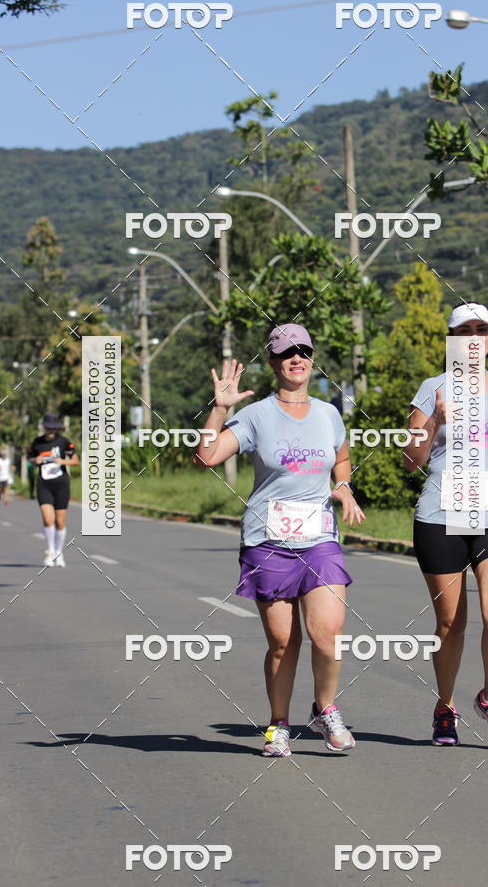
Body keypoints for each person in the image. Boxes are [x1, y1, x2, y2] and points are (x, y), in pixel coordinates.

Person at [195, 324, 366, 757]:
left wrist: (343, 487)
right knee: (284, 643)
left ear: (312, 359)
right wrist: (218, 409)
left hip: (319, 537)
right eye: (287, 352)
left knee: (327, 634)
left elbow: (341, 458)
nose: (297, 358)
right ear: (273, 362)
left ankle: (326, 709)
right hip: (268, 540)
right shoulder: (255, 415)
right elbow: (207, 457)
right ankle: (278, 723)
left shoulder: (329, 413)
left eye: (304, 350)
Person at [405, 303, 488, 746]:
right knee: (450, 624)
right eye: (465, 331)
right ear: (452, 340)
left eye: (482, 330)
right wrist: (436, 418)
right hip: (441, 514)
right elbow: (409, 459)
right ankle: (445, 705)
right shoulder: (432, 387)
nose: (474, 338)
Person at [29, 413, 79, 568]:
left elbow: (76, 461)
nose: (51, 430)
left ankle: (59, 551)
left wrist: (62, 460)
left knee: (59, 521)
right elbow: (30, 458)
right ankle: (50, 551)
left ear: (57, 429)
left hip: (61, 484)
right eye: (48, 427)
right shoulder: (37, 443)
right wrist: (34, 460)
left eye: (54, 428)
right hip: (44, 485)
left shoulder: (64, 442)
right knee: (47, 519)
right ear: (44, 427)